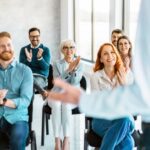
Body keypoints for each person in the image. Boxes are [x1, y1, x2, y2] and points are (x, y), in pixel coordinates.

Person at [90, 43, 134, 149]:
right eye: (105, 54)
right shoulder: (96, 77)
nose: (110, 56)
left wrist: (124, 84)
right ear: (101, 59)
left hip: (124, 117)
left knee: (125, 119)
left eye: (112, 52)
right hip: (101, 119)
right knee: (128, 142)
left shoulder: (126, 74)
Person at [47, 40, 83, 150]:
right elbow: (57, 82)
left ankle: (67, 139)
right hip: (56, 93)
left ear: (75, 50)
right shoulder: (57, 63)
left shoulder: (80, 64)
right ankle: (57, 140)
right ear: (62, 50)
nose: (69, 50)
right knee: (57, 105)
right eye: (66, 47)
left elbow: (75, 82)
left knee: (66, 105)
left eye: (71, 47)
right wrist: (68, 70)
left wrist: (74, 70)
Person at [0, 32, 33, 150]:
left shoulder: (25, 71)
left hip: (17, 118)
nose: (6, 49)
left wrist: (4, 101)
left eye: (9, 45)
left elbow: (25, 100)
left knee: (18, 137)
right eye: (2, 46)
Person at [19, 27, 51, 99]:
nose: (35, 38)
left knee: (29, 84)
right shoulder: (24, 49)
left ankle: (29, 110)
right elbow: (21, 68)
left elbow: (46, 68)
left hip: (41, 77)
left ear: (40, 36)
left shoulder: (45, 49)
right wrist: (28, 60)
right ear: (29, 37)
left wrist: (40, 58)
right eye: (32, 36)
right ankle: (42, 92)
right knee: (28, 82)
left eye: (37, 36)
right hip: (26, 76)